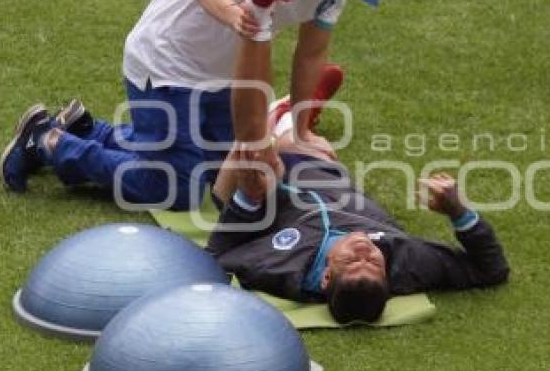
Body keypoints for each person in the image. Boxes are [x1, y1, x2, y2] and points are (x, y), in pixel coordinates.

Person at [0, 0, 400, 210]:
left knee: (230, 172)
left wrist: (302, 127)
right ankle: (50, 142)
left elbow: (312, 53)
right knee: (176, 188)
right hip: (166, 62)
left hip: (224, 77)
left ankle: (88, 129)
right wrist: (235, 16)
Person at [207, 101, 510, 324]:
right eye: (374, 264)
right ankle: (291, 120)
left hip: (266, 199)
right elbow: (491, 270)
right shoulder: (408, 263)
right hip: (323, 175)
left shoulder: (280, 269)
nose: (365, 250)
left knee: (256, 148)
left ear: (326, 277)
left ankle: (280, 118)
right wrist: (458, 212)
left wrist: (248, 198)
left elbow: (217, 257)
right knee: (305, 145)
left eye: (352, 262)